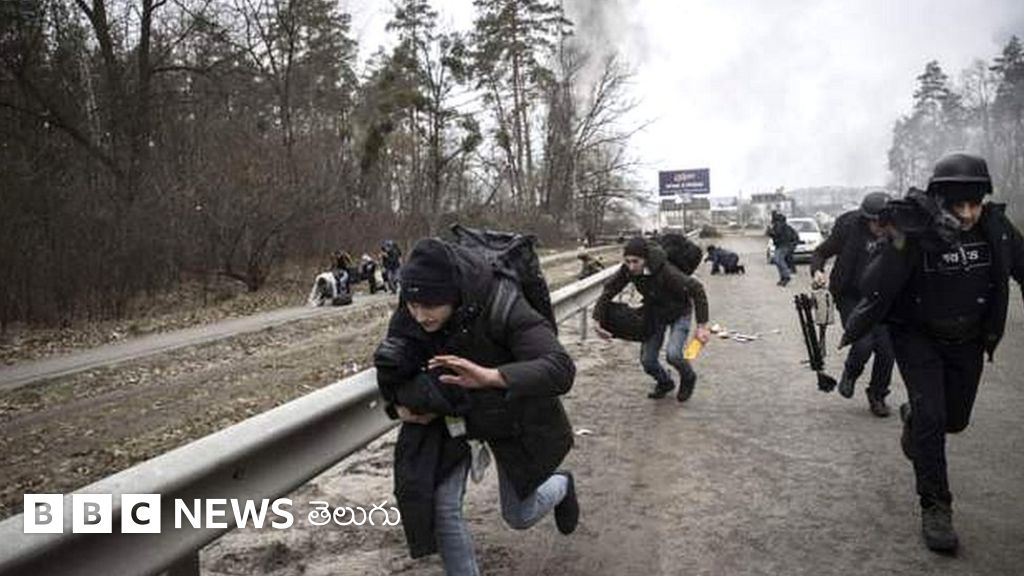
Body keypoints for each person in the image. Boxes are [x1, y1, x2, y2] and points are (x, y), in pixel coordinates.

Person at [843, 153, 1024, 553]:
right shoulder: (911, 228)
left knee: (954, 420)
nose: (967, 214)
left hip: (968, 340)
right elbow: (872, 282)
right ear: (940, 200)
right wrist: (907, 238)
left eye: (974, 204)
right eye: (958, 206)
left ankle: (913, 418)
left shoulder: (995, 227)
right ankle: (936, 506)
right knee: (932, 420)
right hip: (918, 338)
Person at [373, 238, 579, 576]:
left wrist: (492, 377)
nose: (420, 316)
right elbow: (394, 366)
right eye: (412, 305)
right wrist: (396, 407)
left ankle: (562, 485)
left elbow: (560, 368)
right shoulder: (412, 306)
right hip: (452, 407)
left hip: (508, 407)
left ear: (454, 294)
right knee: (442, 507)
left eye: (430, 306)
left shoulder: (503, 301)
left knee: (520, 515)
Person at [593, 237, 711, 401]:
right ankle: (665, 382)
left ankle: (688, 376)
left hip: (680, 311)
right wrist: (597, 319)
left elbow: (697, 289)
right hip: (655, 313)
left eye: (636, 261)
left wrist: (702, 326)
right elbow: (609, 290)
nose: (631, 266)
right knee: (648, 361)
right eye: (628, 261)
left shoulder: (666, 271)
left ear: (645, 259)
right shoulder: (627, 270)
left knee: (673, 355)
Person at [809, 192, 895, 417]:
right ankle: (851, 372)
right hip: (850, 295)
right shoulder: (848, 227)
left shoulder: (897, 233)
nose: (880, 228)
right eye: (876, 223)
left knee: (887, 350)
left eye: (885, 223)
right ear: (866, 219)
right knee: (864, 342)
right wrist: (817, 271)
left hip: (881, 297)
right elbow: (821, 252)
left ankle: (877, 395)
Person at [767, 212, 799, 286]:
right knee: (778, 260)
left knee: (779, 260)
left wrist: (770, 232)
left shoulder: (779, 225)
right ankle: (783, 277)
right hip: (782, 245)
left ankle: (786, 276)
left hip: (784, 246)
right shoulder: (784, 226)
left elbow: (777, 234)